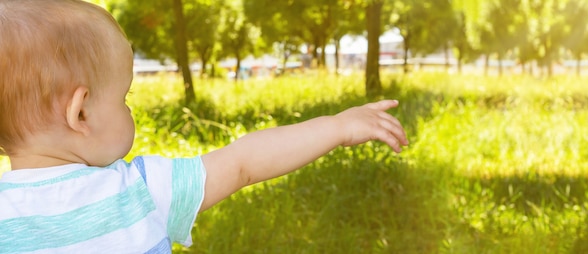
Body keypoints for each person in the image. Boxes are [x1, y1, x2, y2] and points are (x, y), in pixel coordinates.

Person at [0, 0, 408, 253]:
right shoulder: (137, 190)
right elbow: (243, 162)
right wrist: (336, 126)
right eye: (124, 98)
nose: (129, 110)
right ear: (81, 114)